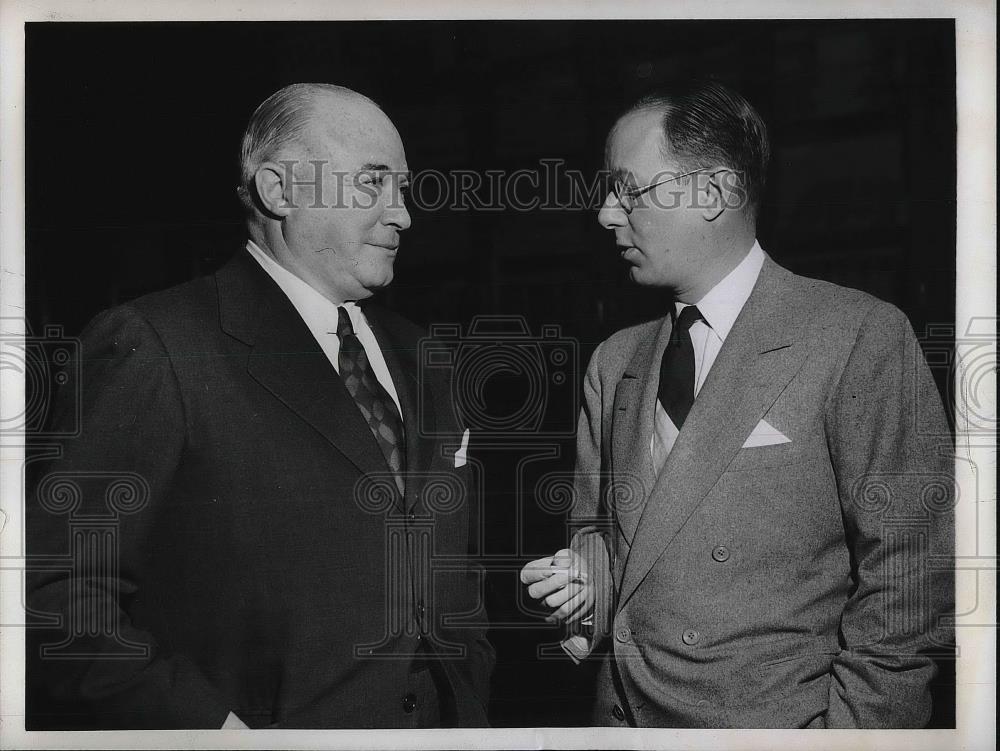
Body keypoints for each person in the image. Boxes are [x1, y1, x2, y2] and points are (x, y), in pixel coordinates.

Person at [26, 83, 493, 729]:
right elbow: (54, 594)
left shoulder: (422, 354)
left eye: (404, 190)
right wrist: (211, 730)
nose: (403, 214)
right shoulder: (158, 343)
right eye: (372, 183)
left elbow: (450, 573)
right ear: (279, 191)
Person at [521, 80, 954, 728]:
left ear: (716, 193)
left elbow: (912, 575)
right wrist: (587, 584)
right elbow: (607, 541)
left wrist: (854, 737)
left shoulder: (856, 335)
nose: (608, 213)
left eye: (628, 189)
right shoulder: (615, 363)